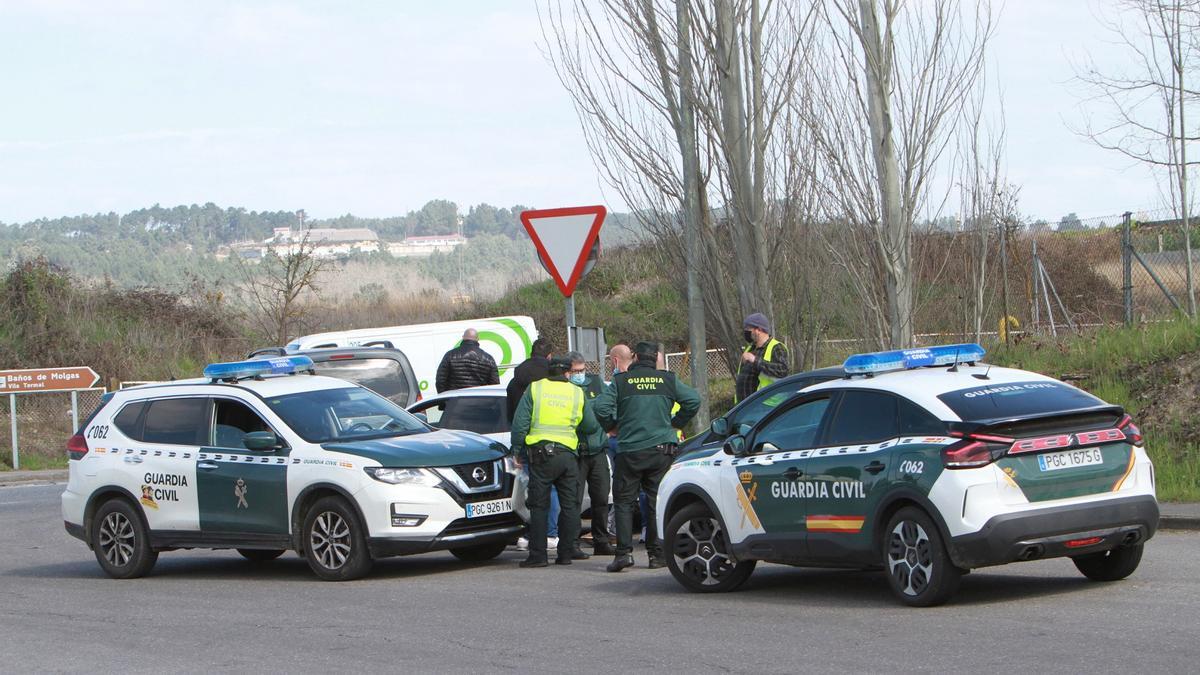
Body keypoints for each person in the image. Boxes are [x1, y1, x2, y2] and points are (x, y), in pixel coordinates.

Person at [595, 341, 700, 572]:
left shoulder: (621, 382)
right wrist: (675, 424)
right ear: (655, 359)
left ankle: (623, 555)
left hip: (630, 451)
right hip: (661, 450)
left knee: (623, 503)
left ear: (635, 358)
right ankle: (656, 555)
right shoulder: (667, 379)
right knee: (655, 503)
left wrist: (613, 427)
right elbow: (693, 400)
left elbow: (601, 407)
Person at [510, 356, 600, 567]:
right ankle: (566, 554)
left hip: (541, 456)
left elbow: (520, 422)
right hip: (568, 456)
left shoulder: (535, 388)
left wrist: (516, 449)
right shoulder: (576, 392)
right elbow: (590, 425)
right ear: (567, 372)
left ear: (548, 371)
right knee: (569, 506)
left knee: (539, 506)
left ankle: (538, 555)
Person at [564, 351, 614, 556]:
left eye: (582, 370)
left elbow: (607, 407)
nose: (580, 374)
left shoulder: (595, 383)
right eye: (576, 371)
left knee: (601, 498)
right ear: (568, 372)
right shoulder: (565, 388)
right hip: (577, 452)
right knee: (574, 501)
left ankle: (601, 540)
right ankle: (572, 542)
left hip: (598, 450)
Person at [734, 312, 789, 403]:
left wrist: (754, 360)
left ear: (758, 330)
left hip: (766, 405)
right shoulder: (750, 348)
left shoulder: (777, 347)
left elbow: (783, 370)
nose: (746, 332)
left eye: (748, 329)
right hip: (745, 406)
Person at [434, 328, 499, 393]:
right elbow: (495, 385)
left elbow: (440, 381)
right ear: (478, 339)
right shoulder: (488, 358)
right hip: (479, 400)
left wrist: (445, 399)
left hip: (455, 400)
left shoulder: (450, 355)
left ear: (463, 338)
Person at [507, 337, 554, 422]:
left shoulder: (515, 380)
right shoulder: (553, 376)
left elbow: (510, 414)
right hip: (549, 429)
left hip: (523, 428)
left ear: (531, 354)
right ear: (549, 356)